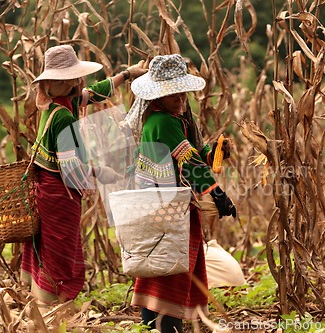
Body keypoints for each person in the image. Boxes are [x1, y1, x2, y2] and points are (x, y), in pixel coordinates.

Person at [21, 44, 147, 306]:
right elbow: (70, 169)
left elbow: (94, 92)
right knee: (60, 251)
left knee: (47, 248)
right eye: (65, 80)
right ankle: (51, 306)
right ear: (52, 85)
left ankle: (44, 301)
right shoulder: (64, 117)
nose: (74, 83)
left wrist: (127, 74)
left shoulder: (58, 104)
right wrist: (103, 173)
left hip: (46, 190)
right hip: (57, 194)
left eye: (72, 78)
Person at [125, 54, 237, 332]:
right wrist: (218, 194)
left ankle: (152, 324)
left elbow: (191, 154)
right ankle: (167, 326)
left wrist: (214, 152)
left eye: (182, 92)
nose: (180, 98)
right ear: (157, 97)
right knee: (173, 266)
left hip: (156, 203)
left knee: (159, 264)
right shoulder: (165, 122)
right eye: (172, 93)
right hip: (167, 206)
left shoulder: (166, 120)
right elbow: (189, 162)